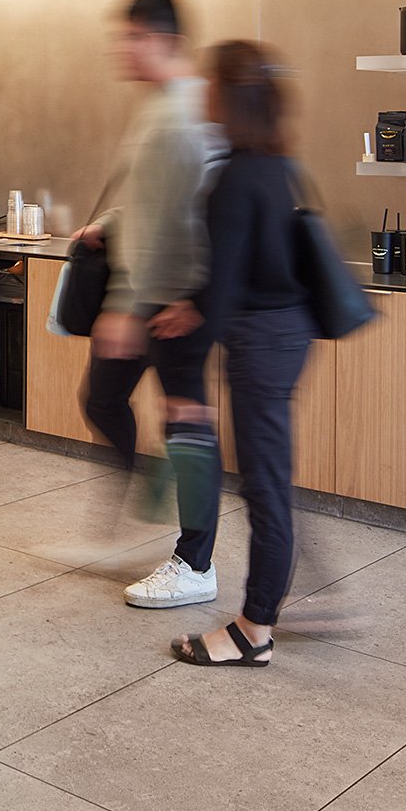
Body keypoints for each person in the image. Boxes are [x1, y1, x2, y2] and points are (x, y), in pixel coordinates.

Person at [150, 41, 311, 667]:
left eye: (211, 83)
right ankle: (276, 606)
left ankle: (254, 630)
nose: (203, 93)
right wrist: (195, 303)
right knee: (271, 478)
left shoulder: (233, 176)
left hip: (260, 345)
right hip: (286, 335)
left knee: (266, 488)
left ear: (229, 96)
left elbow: (223, 289)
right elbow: (252, 266)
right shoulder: (276, 163)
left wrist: (185, 385)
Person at [77, 0, 225, 608]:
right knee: (106, 397)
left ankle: (196, 562)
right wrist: (109, 222)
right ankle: (144, 492)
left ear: (165, 41)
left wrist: (127, 304)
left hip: (175, 299)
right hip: (158, 292)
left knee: (187, 423)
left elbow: (187, 211)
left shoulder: (179, 113)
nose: (123, 49)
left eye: (133, 37)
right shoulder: (163, 107)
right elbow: (150, 196)